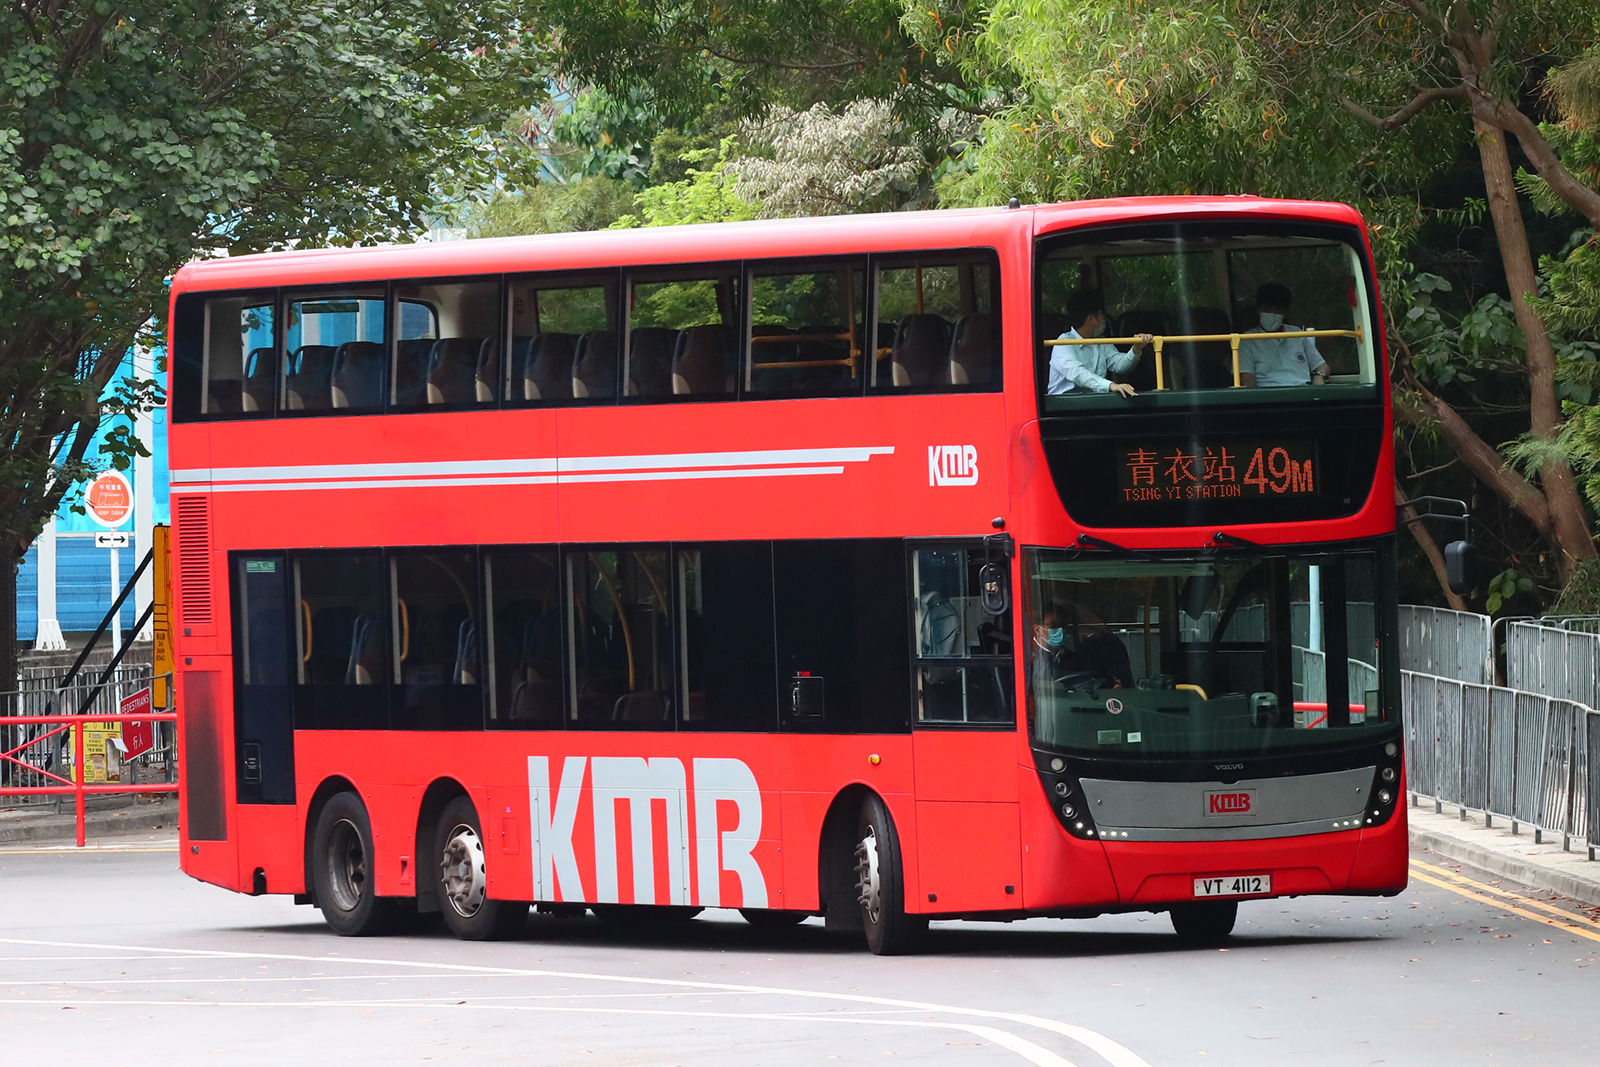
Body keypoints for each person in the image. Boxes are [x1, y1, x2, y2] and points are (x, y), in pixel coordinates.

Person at [1048, 289, 1152, 398]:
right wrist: (1110, 385)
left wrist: (1136, 349)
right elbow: (1077, 374)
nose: (1104, 319)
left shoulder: (1101, 341)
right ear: (1091, 319)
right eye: (1102, 315)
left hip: (1093, 401)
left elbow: (1120, 366)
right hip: (1062, 405)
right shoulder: (1063, 343)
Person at [1239, 283, 1331, 387]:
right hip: (1270, 397)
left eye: (1277, 311)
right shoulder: (1246, 341)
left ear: (1285, 313)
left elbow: (1323, 366)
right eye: (1267, 310)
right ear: (1258, 310)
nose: (1272, 314)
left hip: (1304, 394)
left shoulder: (1297, 334)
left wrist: (1319, 376)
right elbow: (1248, 383)